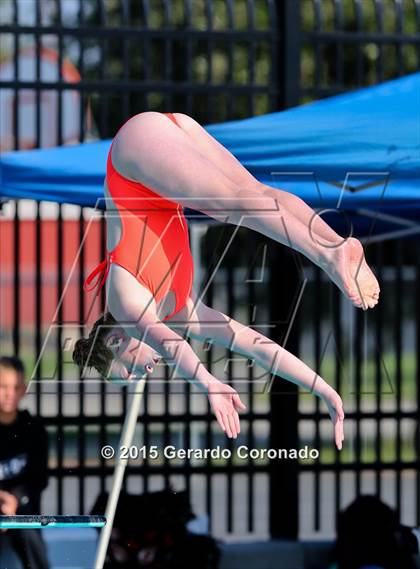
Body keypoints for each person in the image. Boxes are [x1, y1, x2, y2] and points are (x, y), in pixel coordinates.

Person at [73, 111, 380, 448]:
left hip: (133, 153)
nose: (140, 376)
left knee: (230, 205)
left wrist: (207, 383)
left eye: (126, 372)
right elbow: (254, 346)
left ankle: (328, 256)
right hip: (169, 136)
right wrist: (321, 388)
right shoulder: (180, 311)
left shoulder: (124, 301)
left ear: (116, 342)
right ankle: (336, 244)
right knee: (255, 193)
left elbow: (171, 346)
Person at [0, 355, 50, 569]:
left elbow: (39, 479)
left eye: (15, 387)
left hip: (22, 510)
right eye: (3, 386)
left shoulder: (33, 430)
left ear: (23, 389)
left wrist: (15, 500)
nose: (9, 394)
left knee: (28, 529)